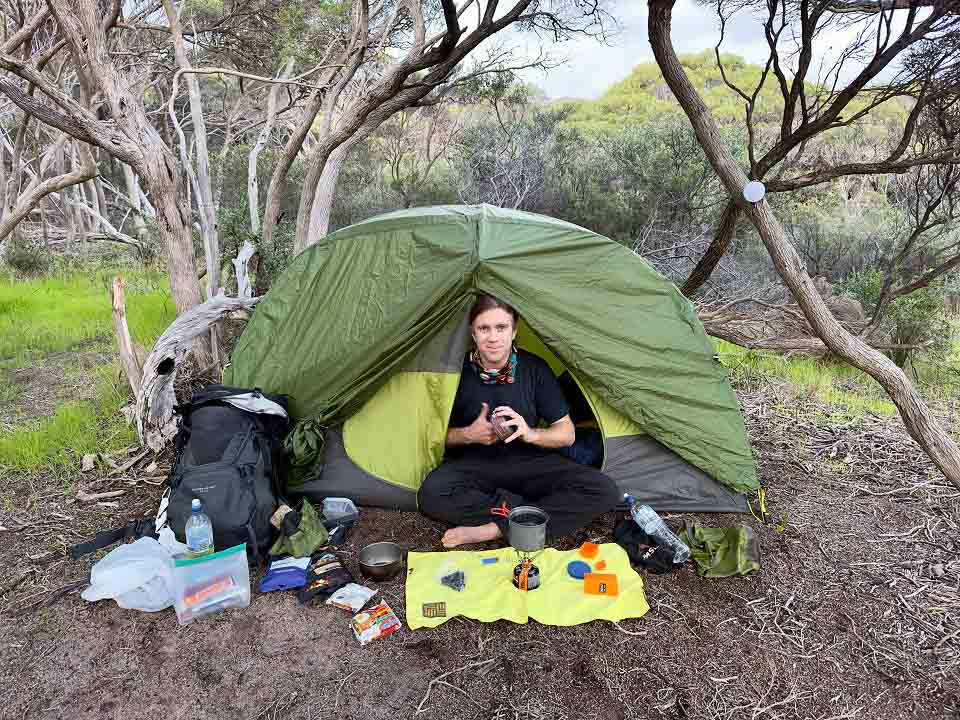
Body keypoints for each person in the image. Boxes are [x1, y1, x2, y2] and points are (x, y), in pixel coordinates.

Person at [417, 294, 620, 548]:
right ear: (473, 333)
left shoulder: (534, 368)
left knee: (604, 490)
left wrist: (530, 434)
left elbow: (566, 434)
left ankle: (493, 528)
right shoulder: (454, 372)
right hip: (474, 465)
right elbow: (430, 435)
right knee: (430, 495)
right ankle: (526, 516)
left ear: (514, 331)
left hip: (530, 462)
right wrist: (468, 434)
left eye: (501, 327)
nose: (493, 338)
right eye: (484, 328)